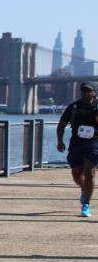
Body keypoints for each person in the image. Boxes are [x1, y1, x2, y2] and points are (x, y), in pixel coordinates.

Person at [56, 83, 98, 217]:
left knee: (90, 173)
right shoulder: (73, 107)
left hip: (94, 143)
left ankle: (86, 205)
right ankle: (85, 189)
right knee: (76, 175)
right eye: (83, 91)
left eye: (88, 91)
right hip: (76, 143)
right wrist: (60, 141)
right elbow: (61, 125)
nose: (85, 93)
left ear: (94, 93)